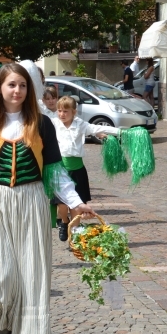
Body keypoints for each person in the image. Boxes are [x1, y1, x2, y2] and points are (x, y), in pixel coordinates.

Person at [0, 63, 93, 334]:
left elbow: (56, 175)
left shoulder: (43, 124)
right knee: (0, 271)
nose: (16, 90)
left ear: (28, 89)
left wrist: (76, 202)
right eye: (11, 85)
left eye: (22, 85)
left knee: (31, 272)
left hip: (32, 200)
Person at [52, 96, 119, 242]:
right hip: (61, 169)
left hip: (77, 169)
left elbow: (96, 128)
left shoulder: (80, 124)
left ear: (74, 112)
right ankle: (64, 222)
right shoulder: (54, 124)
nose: (62, 114)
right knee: (62, 204)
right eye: (59, 111)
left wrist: (120, 132)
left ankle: (73, 235)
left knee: (77, 205)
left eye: (66, 111)